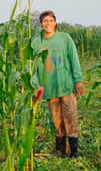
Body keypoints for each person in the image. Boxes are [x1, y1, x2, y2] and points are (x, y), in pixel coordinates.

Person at [31, 10, 85, 158]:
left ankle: (74, 151)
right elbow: (33, 66)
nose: (48, 23)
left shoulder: (65, 39)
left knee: (70, 116)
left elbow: (74, 59)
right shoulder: (36, 43)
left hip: (66, 85)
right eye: (45, 21)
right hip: (48, 86)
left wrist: (78, 80)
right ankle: (60, 150)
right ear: (41, 24)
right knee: (56, 118)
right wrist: (35, 85)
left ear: (55, 23)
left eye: (51, 20)